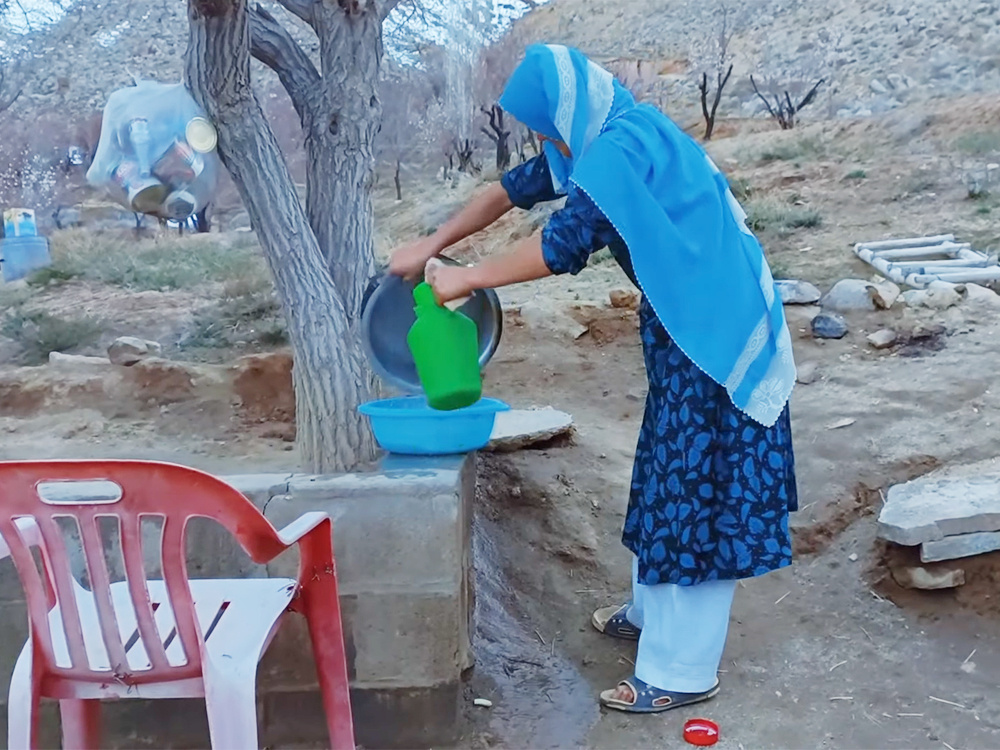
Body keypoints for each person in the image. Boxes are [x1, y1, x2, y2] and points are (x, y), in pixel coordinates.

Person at [389, 43, 798, 714]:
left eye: (544, 124)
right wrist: (431, 245)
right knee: (669, 471)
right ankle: (650, 611)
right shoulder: (605, 134)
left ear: (566, 108)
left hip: (718, 333)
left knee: (696, 491)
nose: (543, 140)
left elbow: (560, 247)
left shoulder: (618, 150)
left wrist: (465, 276)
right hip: (686, 320)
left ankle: (682, 670)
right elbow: (506, 190)